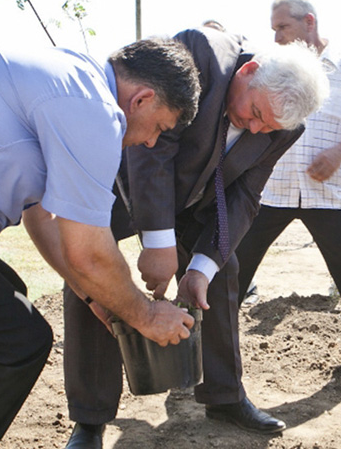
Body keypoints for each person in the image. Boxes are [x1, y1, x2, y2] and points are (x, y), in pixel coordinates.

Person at [0, 39, 202, 448]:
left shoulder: (69, 78)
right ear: (142, 99)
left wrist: (93, 295)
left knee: (5, 300)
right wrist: (146, 315)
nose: (150, 142)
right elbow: (90, 253)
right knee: (13, 341)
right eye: (159, 128)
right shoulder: (94, 110)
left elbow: (42, 215)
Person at [60, 26, 327, 447]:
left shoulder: (283, 127)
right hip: (125, 179)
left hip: (198, 200)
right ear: (249, 72)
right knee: (92, 266)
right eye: (255, 112)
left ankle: (224, 395)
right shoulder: (201, 55)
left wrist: (200, 269)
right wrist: (158, 243)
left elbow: (246, 195)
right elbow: (152, 148)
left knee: (220, 271)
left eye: (267, 127)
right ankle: (90, 418)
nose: (255, 128)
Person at [235, 0, 341, 378]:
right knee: (234, 267)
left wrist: (338, 153)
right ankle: (210, 346)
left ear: (309, 22)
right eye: (273, 29)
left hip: (327, 194)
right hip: (271, 190)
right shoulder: (269, 66)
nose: (276, 37)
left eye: (282, 27)